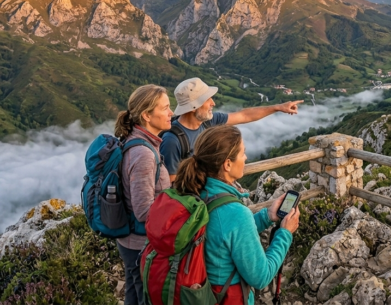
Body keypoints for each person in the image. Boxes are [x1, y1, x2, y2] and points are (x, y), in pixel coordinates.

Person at [174, 125, 299, 304]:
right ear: (227, 164)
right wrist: (285, 234)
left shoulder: (192, 191)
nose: (246, 158)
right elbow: (261, 277)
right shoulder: (235, 213)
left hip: (197, 291)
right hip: (225, 298)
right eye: (243, 153)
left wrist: (266, 216)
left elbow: (225, 234)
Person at [161, 77, 303, 182]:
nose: (213, 103)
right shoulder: (172, 141)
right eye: (207, 99)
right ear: (194, 107)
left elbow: (244, 115)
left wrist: (278, 107)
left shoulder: (208, 122)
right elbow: (173, 183)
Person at [114, 84, 173, 305]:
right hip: (141, 246)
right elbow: (143, 211)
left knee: (133, 295)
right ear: (147, 115)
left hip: (133, 244)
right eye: (165, 108)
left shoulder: (142, 142)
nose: (171, 113)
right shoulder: (143, 154)